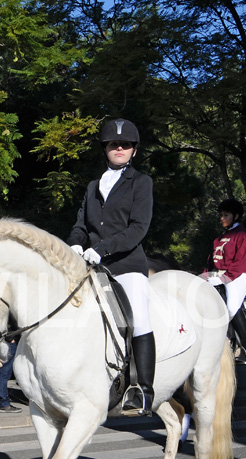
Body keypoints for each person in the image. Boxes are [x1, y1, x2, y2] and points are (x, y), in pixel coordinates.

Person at [66, 118, 155, 416]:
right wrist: (75, 244)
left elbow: (138, 229)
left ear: (134, 150)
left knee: (139, 317)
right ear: (105, 148)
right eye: (113, 144)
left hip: (126, 265)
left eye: (125, 145)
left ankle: (142, 389)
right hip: (91, 264)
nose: (119, 148)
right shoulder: (93, 186)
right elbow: (81, 224)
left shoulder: (141, 183)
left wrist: (101, 250)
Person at [203, 199, 246, 364]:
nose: (221, 218)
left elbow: (240, 262)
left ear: (236, 216)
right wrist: (204, 277)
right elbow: (211, 261)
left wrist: (223, 278)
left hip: (239, 276)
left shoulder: (242, 235)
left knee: (231, 308)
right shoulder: (219, 239)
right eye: (221, 215)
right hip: (220, 275)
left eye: (225, 215)